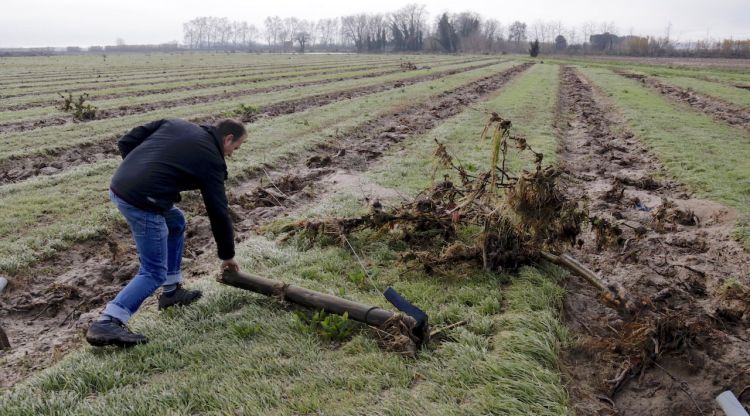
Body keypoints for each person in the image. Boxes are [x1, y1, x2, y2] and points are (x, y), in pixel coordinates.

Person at [86, 118, 246, 347]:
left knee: (175, 221)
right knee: (153, 272)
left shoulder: (176, 124)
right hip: (140, 201)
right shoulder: (212, 159)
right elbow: (218, 212)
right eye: (235, 148)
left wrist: (141, 174)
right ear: (227, 138)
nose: (231, 154)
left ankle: (171, 292)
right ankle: (108, 321)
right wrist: (227, 256)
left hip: (120, 186)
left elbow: (126, 141)